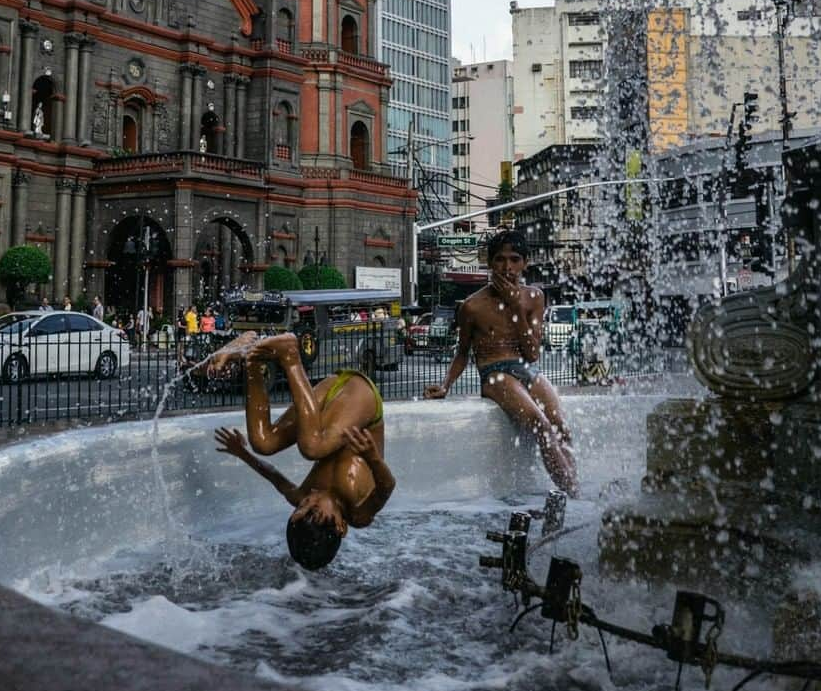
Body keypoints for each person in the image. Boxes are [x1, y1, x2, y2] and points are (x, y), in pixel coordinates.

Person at [213, 332, 395, 571]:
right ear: (341, 526)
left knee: (263, 442)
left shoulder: (301, 497)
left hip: (328, 402)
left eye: (301, 507)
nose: (309, 500)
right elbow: (386, 486)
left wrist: (242, 453)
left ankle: (252, 358)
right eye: (314, 508)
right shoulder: (359, 514)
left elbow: (274, 477)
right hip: (360, 400)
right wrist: (372, 457)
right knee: (312, 447)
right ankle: (289, 353)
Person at [424, 228, 578, 496]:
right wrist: (446, 385)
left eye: (515, 259)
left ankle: (574, 490)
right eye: (500, 260)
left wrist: (516, 306)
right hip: (495, 374)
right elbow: (462, 353)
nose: (507, 267)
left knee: (562, 427)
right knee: (542, 426)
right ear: (490, 262)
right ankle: (574, 494)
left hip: (527, 369)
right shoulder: (472, 306)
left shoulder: (534, 297)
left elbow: (532, 354)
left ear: (525, 263)